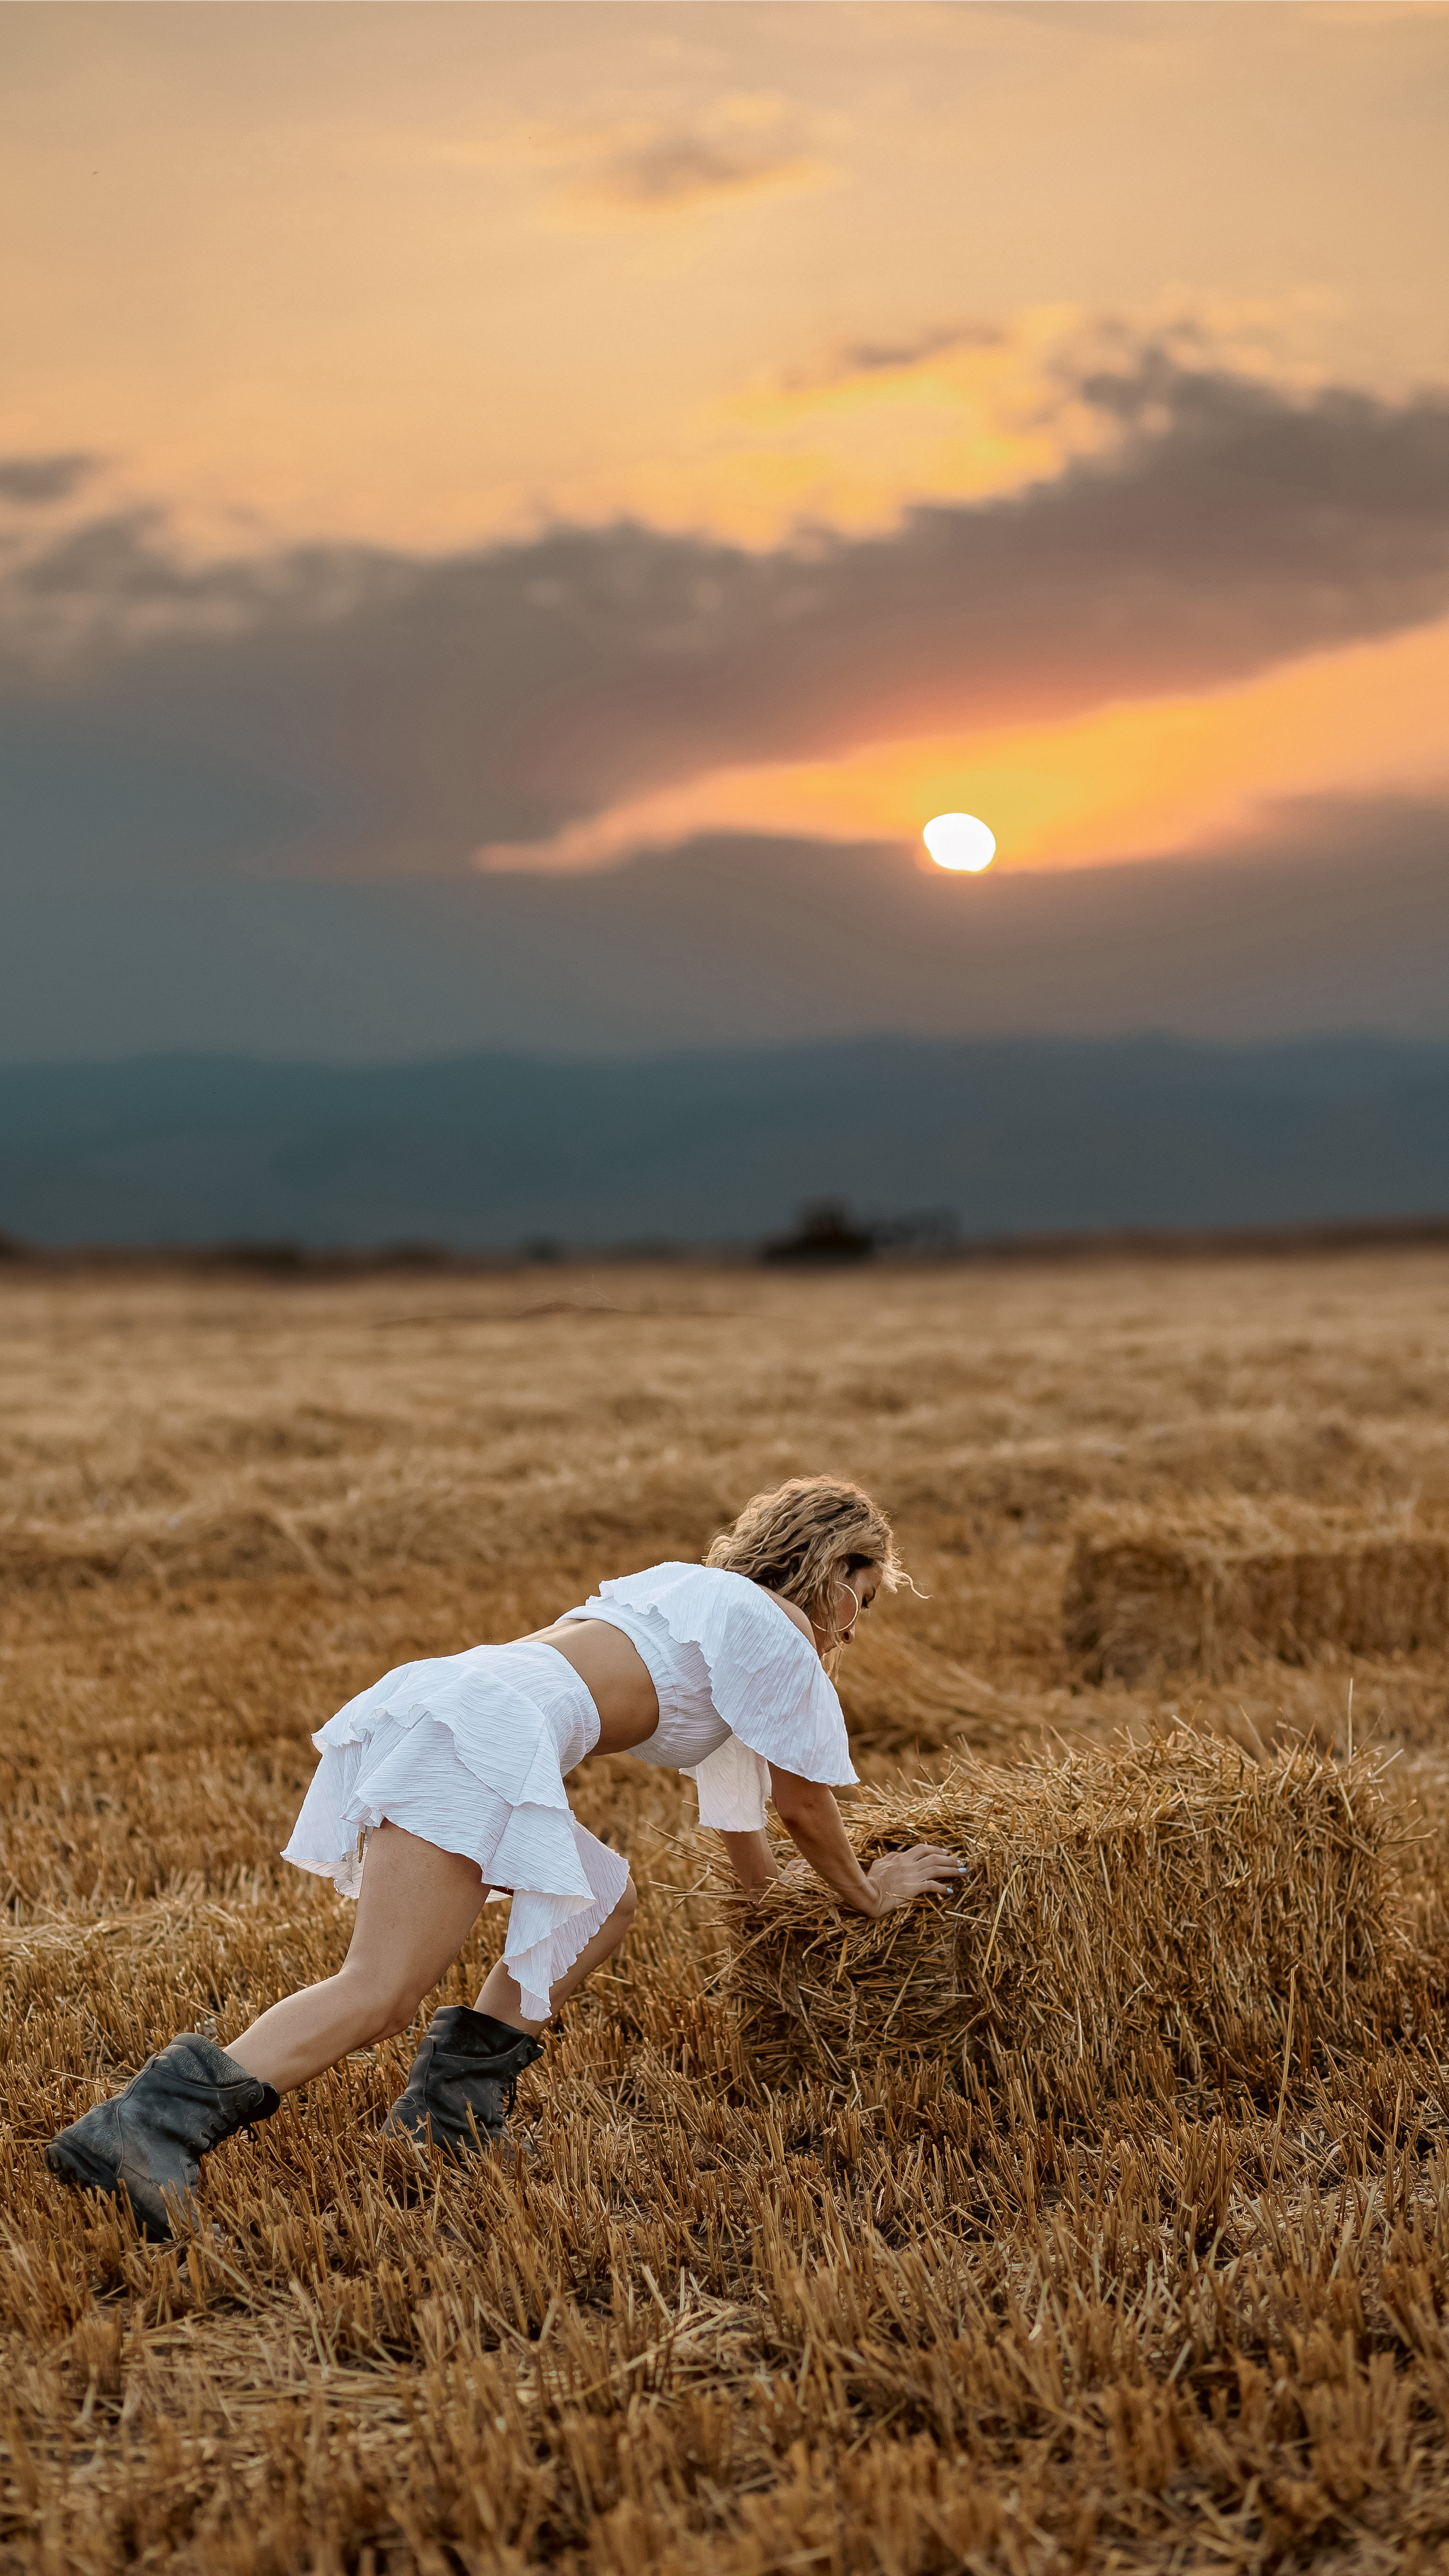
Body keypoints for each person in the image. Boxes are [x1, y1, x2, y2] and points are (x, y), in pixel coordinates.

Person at [47, 1475, 962, 2238]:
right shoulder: (782, 1634)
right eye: (864, 1599)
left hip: (460, 1698)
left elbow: (750, 1837)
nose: (855, 1627)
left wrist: (797, 1922)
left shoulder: (696, 1597)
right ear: (837, 1569)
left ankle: (449, 2121)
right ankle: (145, 2127)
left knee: (601, 1898)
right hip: (486, 1730)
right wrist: (872, 1900)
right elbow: (805, 1805)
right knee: (380, 1989)